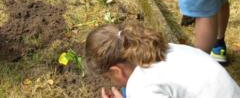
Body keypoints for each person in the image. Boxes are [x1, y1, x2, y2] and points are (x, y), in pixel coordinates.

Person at [85, 22, 240, 98]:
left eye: (108, 77)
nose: (111, 82)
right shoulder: (162, 49)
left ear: (116, 70)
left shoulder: (141, 86)